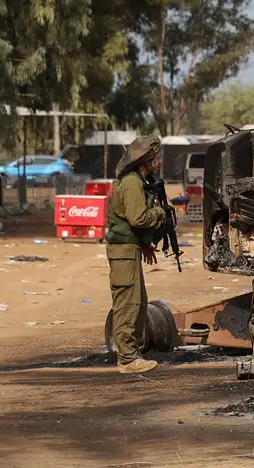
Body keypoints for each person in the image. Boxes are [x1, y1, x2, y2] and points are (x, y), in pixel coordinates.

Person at [105, 135, 168, 374]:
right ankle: (127, 359)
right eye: (157, 156)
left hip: (130, 248)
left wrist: (144, 245)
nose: (160, 161)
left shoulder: (140, 181)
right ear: (146, 158)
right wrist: (159, 213)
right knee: (127, 304)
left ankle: (133, 352)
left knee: (139, 301)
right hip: (122, 250)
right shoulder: (132, 183)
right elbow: (138, 218)